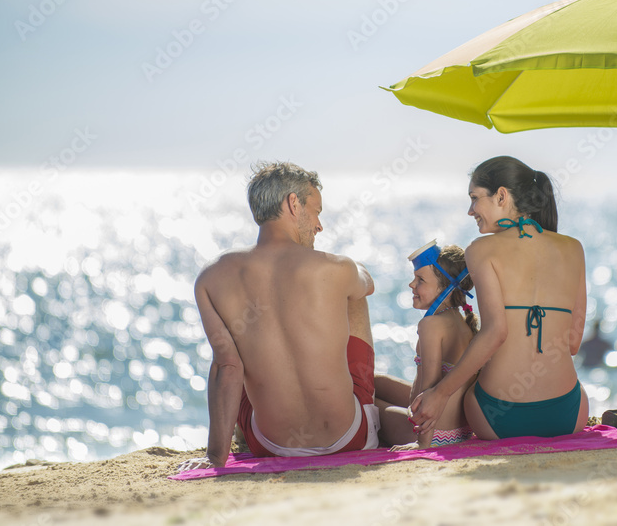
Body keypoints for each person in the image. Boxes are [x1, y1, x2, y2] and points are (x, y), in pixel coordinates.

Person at [178, 162, 380, 471]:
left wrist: (215, 460)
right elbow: (369, 285)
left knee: (231, 356)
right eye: (316, 211)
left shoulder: (210, 277)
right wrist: (357, 269)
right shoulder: (338, 268)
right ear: (293, 203)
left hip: (270, 443)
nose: (319, 225)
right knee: (355, 296)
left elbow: (227, 370)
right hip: (348, 436)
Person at [409, 156, 590, 440]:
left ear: (502, 195)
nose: (471, 211)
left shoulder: (481, 250)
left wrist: (440, 393)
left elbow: (496, 332)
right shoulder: (574, 248)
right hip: (568, 412)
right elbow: (574, 342)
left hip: (499, 418)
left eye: (474, 198)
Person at [378, 241, 479, 449]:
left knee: (367, 404)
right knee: (374, 382)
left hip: (433, 434)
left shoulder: (431, 325)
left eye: (420, 280)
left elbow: (429, 391)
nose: (411, 285)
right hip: (459, 431)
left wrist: (420, 445)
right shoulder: (463, 322)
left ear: (446, 288)